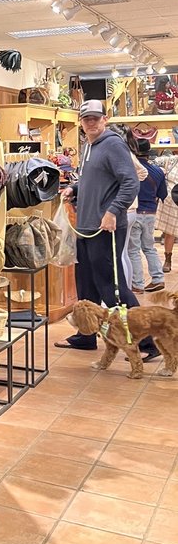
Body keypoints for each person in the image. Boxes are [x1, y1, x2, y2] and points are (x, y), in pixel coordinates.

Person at [55, 99, 159, 359]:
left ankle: (148, 343)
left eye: (95, 118)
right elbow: (93, 180)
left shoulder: (112, 144)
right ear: (81, 122)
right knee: (86, 285)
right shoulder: (89, 145)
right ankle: (86, 335)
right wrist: (74, 189)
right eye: (86, 118)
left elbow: (131, 183)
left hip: (105, 229)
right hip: (86, 227)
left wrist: (113, 212)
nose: (91, 122)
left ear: (105, 119)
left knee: (113, 289)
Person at [126, 135, 167, 293]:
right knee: (149, 247)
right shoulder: (158, 171)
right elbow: (163, 194)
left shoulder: (131, 169)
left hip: (134, 211)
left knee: (133, 250)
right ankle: (158, 278)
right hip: (150, 212)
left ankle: (137, 283)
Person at [122, 131, 149, 289]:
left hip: (125, 210)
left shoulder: (124, 153)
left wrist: (128, 184)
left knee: (120, 254)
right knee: (124, 253)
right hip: (129, 209)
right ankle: (127, 290)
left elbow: (143, 172)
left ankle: (124, 292)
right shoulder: (127, 153)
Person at [154, 155, 178, 273]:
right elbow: (153, 162)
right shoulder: (171, 160)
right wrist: (161, 172)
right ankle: (168, 260)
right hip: (171, 201)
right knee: (169, 232)